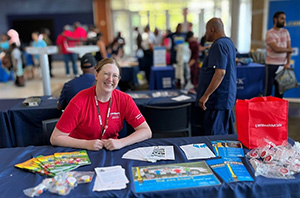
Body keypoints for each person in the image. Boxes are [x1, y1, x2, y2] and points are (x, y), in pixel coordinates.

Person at [50, 58, 152, 151]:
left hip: (111, 151)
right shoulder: (79, 101)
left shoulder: (124, 100)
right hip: (82, 152)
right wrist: (86, 144)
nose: (110, 79)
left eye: (115, 76)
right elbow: (55, 138)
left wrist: (121, 142)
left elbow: (146, 131)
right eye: (106, 74)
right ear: (96, 75)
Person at [196, 18, 236, 136]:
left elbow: (220, 73)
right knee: (222, 132)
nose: (206, 34)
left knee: (215, 136)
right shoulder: (228, 43)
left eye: (206, 30)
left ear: (211, 30)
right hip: (225, 97)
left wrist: (205, 96)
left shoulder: (218, 45)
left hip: (218, 99)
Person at [265, 11, 293, 98]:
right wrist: (288, 50)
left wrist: (288, 63)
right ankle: (266, 109)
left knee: (280, 91)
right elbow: (276, 49)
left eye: (284, 19)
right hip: (271, 66)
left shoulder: (286, 32)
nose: (284, 20)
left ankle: (278, 110)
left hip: (282, 66)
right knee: (268, 90)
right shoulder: (270, 33)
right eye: (281, 18)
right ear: (275, 19)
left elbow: (289, 49)